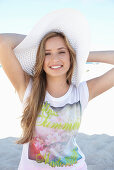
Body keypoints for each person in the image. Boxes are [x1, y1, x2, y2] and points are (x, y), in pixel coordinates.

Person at [0, 8, 114, 170]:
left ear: (70, 56)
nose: (55, 59)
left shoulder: (81, 92)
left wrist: (81, 54)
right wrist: (38, 43)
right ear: (41, 57)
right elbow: (3, 42)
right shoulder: (28, 88)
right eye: (47, 53)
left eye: (62, 52)